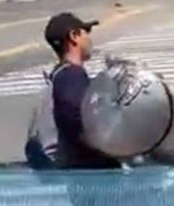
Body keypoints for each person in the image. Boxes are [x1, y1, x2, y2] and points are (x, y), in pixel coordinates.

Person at [45, 12, 121, 170]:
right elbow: (84, 121)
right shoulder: (71, 77)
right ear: (74, 36)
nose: (89, 38)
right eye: (86, 31)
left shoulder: (63, 75)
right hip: (89, 174)